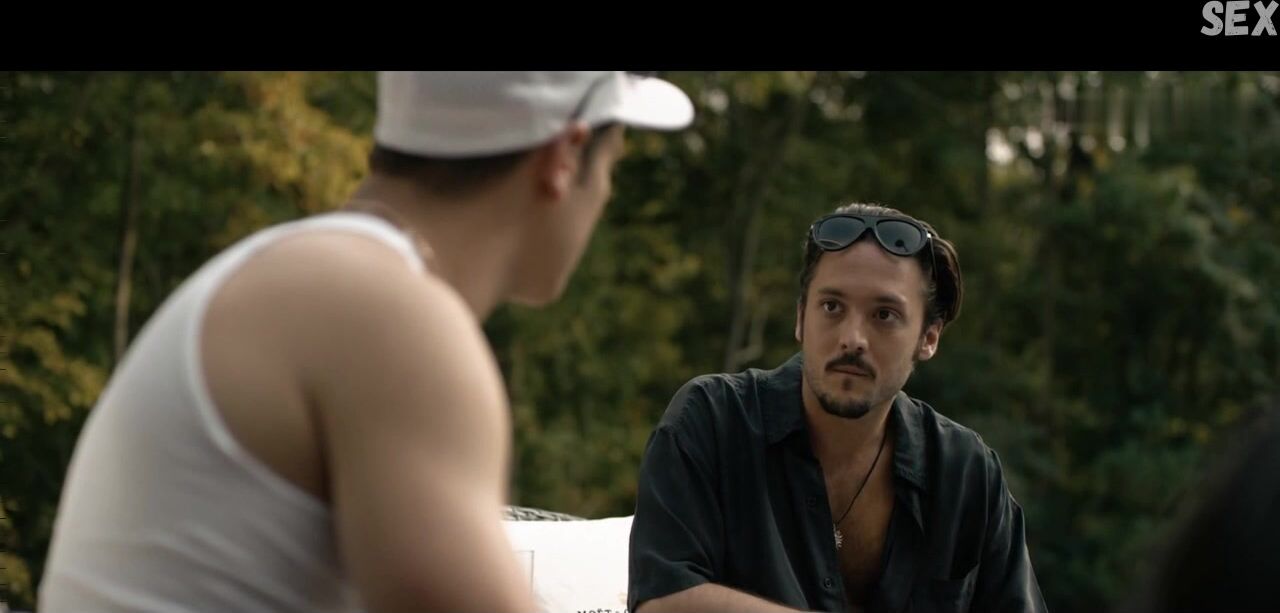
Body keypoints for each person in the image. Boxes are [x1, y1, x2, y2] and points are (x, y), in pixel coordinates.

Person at [39, 71, 694, 612]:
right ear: (564, 157)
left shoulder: (302, 276)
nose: (607, 192)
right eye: (613, 163)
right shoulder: (388, 318)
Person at [628, 202, 1047, 613]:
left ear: (928, 337)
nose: (852, 338)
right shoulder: (713, 423)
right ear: (800, 318)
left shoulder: (966, 474)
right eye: (832, 307)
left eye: (884, 315)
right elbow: (662, 600)